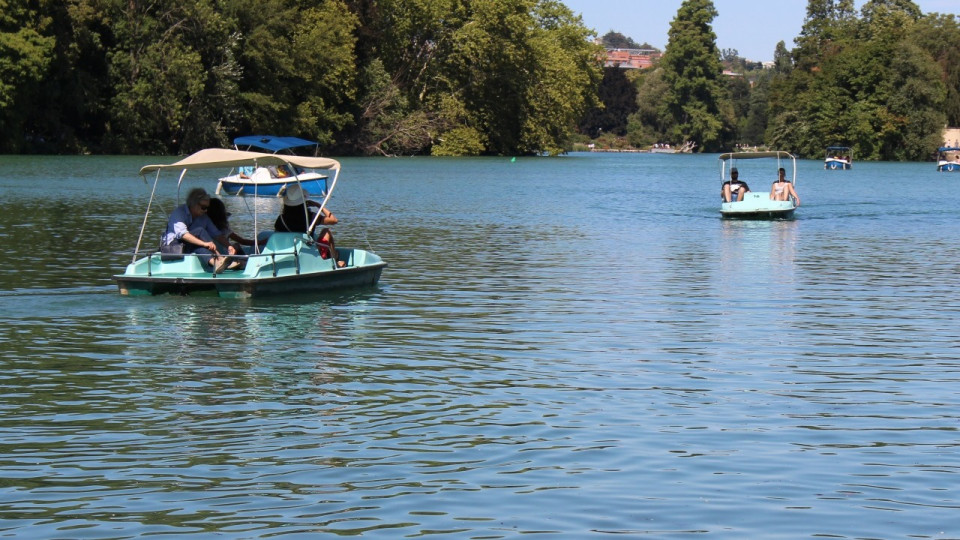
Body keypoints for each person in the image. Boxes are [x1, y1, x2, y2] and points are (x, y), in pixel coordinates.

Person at [161, 187, 230, 273]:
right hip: (173, 245)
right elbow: (183, 235)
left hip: (188, 245)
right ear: (194, 204)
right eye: (203, 207)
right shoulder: (179, 212)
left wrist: (229, 246)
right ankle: (219, 257)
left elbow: (217, 235)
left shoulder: (204, 217)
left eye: (207, 208)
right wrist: (205, 243)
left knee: (199, 247)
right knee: (200, 231)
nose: (206, 210)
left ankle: (216, 263)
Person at [275, 184, 345, 267]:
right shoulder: (310, 217)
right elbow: (334, 220)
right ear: (303, 202)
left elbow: (276, 235)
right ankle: (334, 262)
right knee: (326, 231)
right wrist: (318, 205)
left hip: (290, 251)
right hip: (309, 253)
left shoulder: (281, 219)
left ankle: (334, 257)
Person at [206, 198, 258, 269]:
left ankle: (237, 262)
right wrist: (260, 242)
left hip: (213, 254)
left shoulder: (205, 225)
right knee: (236, 245)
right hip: (225, 254)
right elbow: (242, 241)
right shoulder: (224, 229)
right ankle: (244, 262)